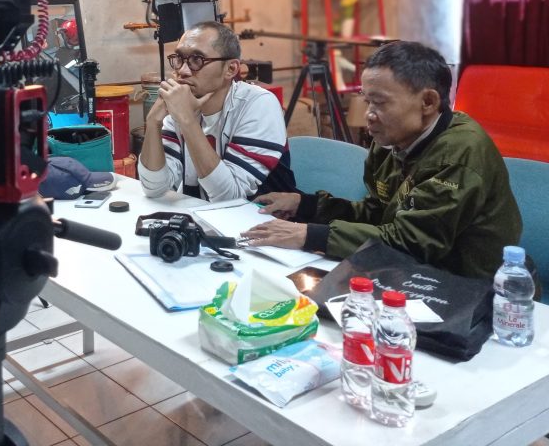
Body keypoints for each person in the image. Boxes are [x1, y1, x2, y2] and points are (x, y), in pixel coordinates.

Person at [242, 40, 521, 280]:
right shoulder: (391, 139)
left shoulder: (458, 153)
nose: (369, 114)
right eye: (367, 101)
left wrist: (311, 235)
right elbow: (378, 213)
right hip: (409, 269)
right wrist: (306, 205)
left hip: (469, 284)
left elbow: (412, 242)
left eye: (380, 102)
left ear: (428, 102)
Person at [138, 21, 296, 202]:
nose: (182, 70)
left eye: (197, 60)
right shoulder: (181, 104)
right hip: (201, 215)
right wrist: (153, 122)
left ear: (231, 69)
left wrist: (187, 120)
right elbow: (154, 188)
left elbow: (229, 197)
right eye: (179, 58)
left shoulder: (259, 104)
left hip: (260, 217)